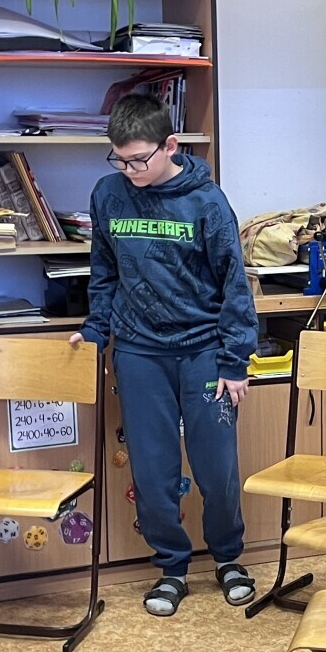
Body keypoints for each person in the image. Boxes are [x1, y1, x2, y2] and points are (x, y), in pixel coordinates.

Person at [71, 93, 257, 617]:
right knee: (153, 472)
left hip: (203, 351)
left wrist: (235, 360)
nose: (129, 171)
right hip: (138, 352)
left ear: (170, 145)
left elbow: (234, 283)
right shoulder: (108, 195)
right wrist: (95, 330)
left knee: (216, 468)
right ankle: (172, 567)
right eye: (119, 160)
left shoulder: (207, 202)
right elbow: (104, 271)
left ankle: (228, 559)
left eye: (138, 160)